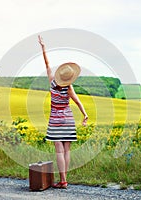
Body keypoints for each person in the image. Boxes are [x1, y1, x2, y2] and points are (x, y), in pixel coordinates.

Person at [38, 35, 88, 189]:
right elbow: (78, 102)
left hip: (55, 119)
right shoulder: (69, 87)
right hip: (68, 118)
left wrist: (43, 48)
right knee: (67, 149)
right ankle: (64, 180)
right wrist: (85, 115)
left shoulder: (52, 82)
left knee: (59, 150)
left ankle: (63, 181)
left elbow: (47, 64)